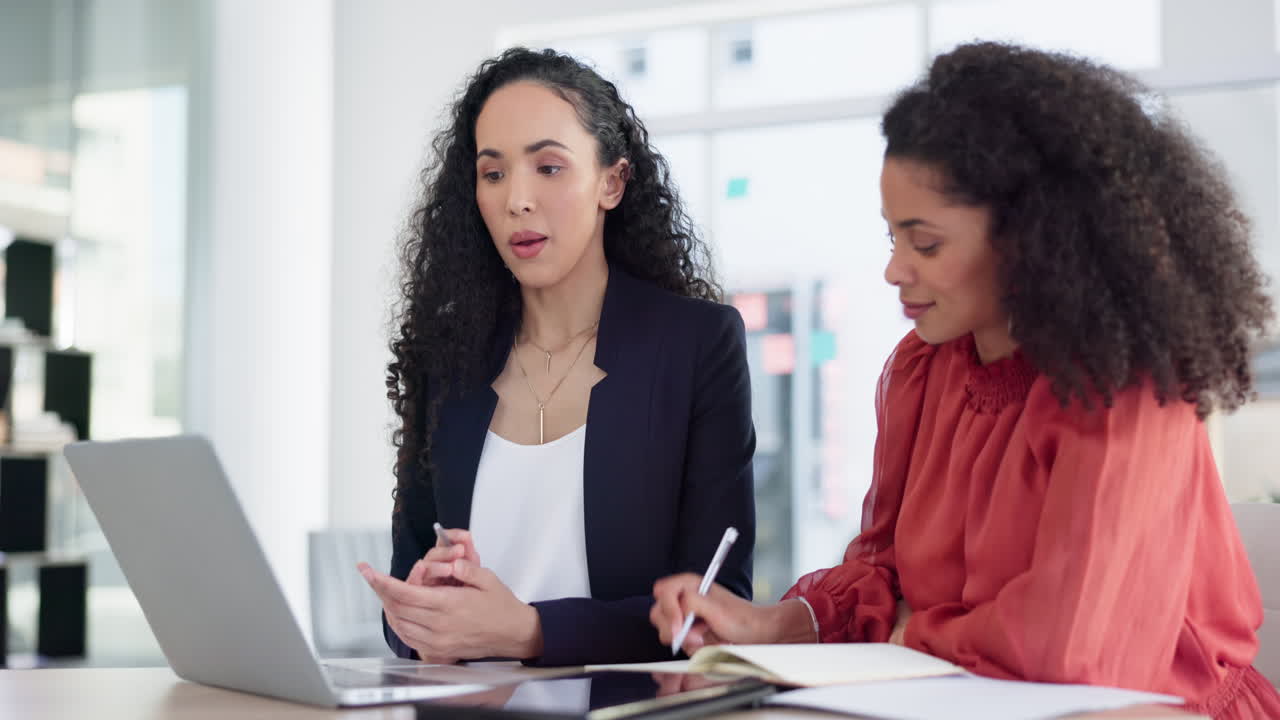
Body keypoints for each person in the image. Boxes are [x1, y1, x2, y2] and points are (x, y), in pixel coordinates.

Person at [650, 41, 1280, 718]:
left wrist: (911, 635)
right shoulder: (920, 370)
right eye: (892, 237)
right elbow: (882, 573)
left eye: (926, 243)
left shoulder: (1122, 389)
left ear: (1033, 239)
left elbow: (1069, 649)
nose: (895, 269)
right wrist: (772, 624)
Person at [356, 47, 756, 667]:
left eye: (547, 167)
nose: (517, 199)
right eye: (493, 174)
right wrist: (420, 612)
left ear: (612, 182)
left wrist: (530, 632)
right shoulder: (447, 360)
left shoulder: (696, 346)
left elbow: (717, 607)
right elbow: (403, 603)